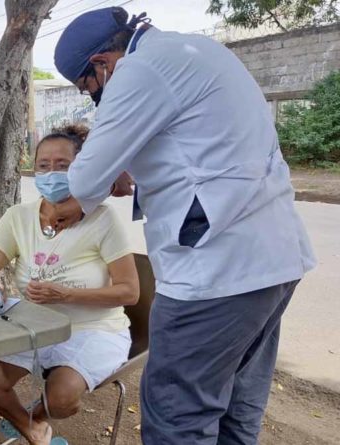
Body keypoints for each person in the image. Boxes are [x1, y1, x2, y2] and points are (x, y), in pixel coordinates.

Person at [54, 7, 315, 444]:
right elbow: (201, 155)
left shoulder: (139, 71)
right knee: (235, 411)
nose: (96, 97)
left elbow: (83, 181)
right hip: (274, 263)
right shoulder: (199, 51)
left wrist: (93, 185)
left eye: (90, 88)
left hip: (215, 276)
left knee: (176, 418)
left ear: (102, 63)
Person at [0, 125, 139, 445]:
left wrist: (66, 294)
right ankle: (34, 429)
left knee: (61, 397)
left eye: (63, 166)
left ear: (83, 169)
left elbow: (130, 292)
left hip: (96, 329)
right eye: (44, 165)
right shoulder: (18, 216)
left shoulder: (103, 219)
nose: (52, 173)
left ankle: (35, 418)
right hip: (37, 326)